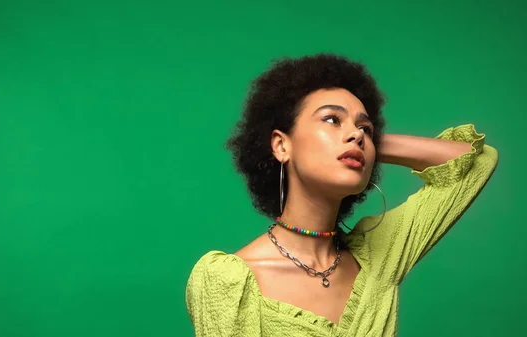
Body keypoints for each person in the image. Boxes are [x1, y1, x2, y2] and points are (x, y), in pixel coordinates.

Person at [185, 53, 498, 336]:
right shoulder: (228, 280)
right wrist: (356, 139)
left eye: (366, 129)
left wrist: (367, 145)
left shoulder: (379, 258)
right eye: (331, 119)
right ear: (282, 145)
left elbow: (477, 159)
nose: (356, 135)